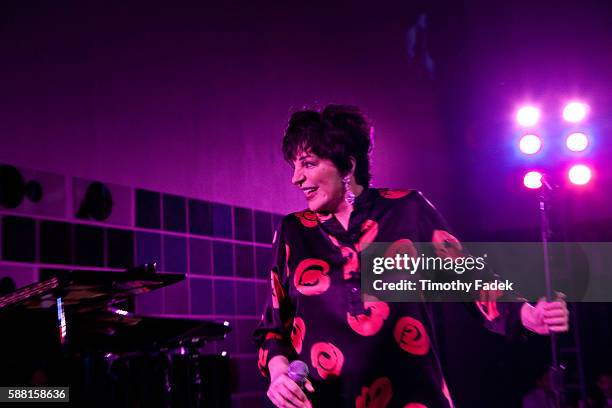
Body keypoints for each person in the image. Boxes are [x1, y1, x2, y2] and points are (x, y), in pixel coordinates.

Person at [253, 104, 569, 408]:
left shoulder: (406, 210)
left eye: (308, 163)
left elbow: (467, 279)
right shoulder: (294, 231)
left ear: (347, 166)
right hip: (326, 400)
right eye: (294, 165)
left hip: (412, 395)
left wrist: (526, 315)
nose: (296, 178)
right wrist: (279, 374)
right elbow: (273, 329)